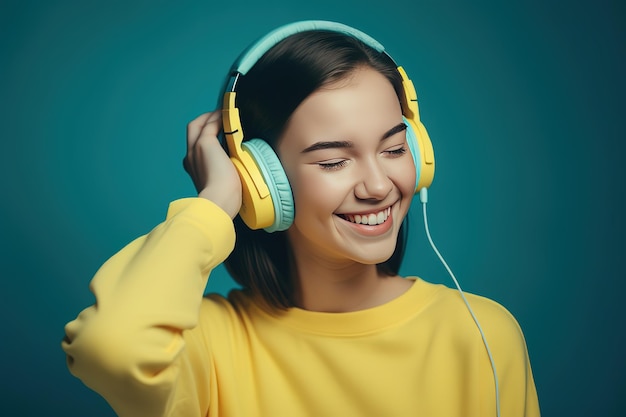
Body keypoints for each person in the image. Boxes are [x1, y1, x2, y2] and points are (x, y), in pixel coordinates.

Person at [62, 21, 540, 417]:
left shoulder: (481, 333)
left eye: (395, 149)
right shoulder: (209, 347)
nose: (378, 186)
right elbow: (112, 348)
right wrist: (215, 204)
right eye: (333, 161)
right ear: (264, 181)